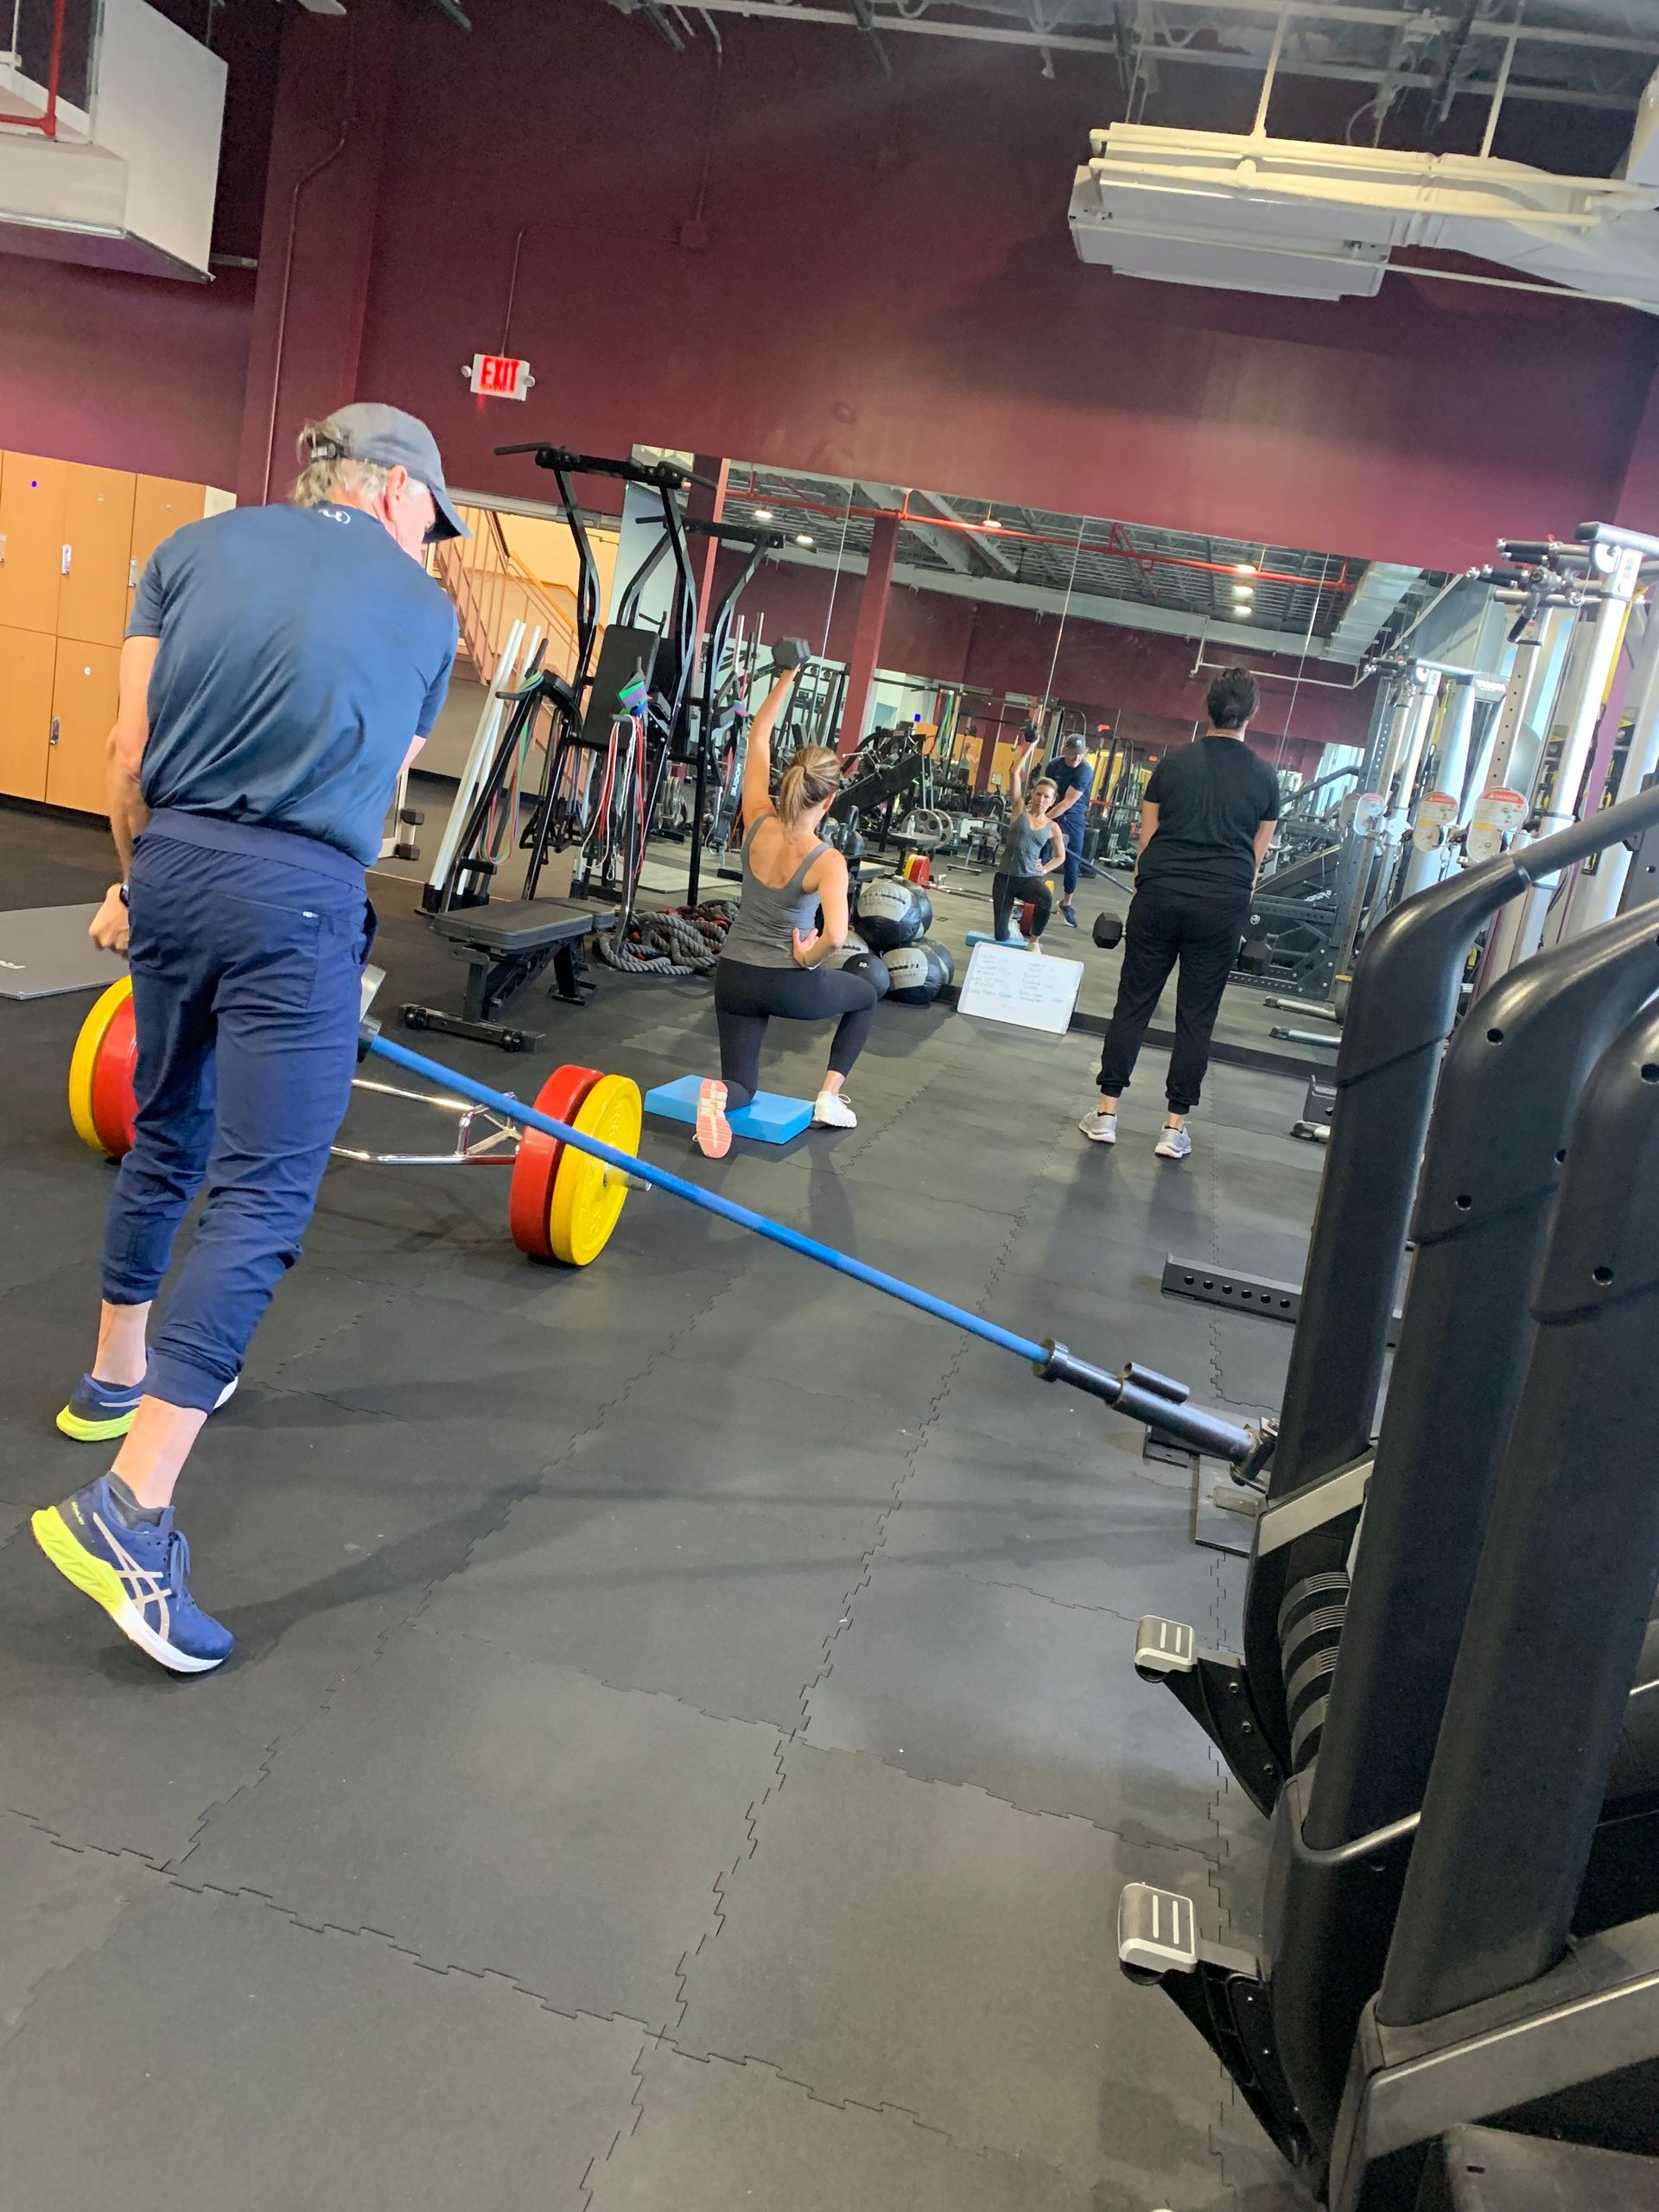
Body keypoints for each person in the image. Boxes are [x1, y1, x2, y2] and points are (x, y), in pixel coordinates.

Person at [32, 404, 463, 1674]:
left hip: (170, 864)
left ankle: (116, 1372)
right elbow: (386, 784)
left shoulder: (185, 552)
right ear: (390, 492)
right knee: (266, 1195)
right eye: (426, 521)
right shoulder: (429, 618)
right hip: (298, 899)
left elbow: (128, 753)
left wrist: (135, 883)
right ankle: (133, 1507)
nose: (427, 546)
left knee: (166, 1130)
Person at [1079, 666, 1279, 1161]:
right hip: (1222, 903)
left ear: (1205, 708)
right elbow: (1255, 857)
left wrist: (1149, 885)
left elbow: (1146, 842)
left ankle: (1106, 1115)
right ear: (1252, 713)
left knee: (1134, 1002)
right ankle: (1174, 1128)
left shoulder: (1171, 766)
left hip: (1161, 893)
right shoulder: (1266, 778)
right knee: (1197, 1015)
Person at [696, 657, 880, 1159]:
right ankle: (828, 1098)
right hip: (787, 982)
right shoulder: (828, 860)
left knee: (742, 1083)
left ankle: (720, 1097)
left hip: (733, 975)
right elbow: (837, 937)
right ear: (830, 800)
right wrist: (807, 957)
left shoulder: (756, 819)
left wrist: (787, 675)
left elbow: (758, 738)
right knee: (867, 992)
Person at [990, 736, 1065, 951]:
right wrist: (1032, 745)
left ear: (1052, 801)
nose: (1041, 799)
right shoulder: (1019, 810)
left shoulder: (1052, 827)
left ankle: (1034, 941)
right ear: (1033, 795)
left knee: (1046, 898)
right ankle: (1011, 929)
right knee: (1001, 936)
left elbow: (1061, 856)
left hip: (1029, 879)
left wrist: (1045, 868)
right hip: (1005, 878)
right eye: (1038, 794)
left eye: (1046, 797)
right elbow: (1014, 774)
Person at [1045, 729, 1095, 928]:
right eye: (1073, 753)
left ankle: (1066, 903)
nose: (1076, 758)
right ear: (1065, 750)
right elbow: (1047, 792)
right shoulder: (1053, 765)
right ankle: (1029, 899)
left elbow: (1067, 803)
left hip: (1073, 815)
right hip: (1053, 809)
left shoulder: (1085, 770)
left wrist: (1043, 819)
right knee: (1040, 853)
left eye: (1080, 754)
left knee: (1072, 859)